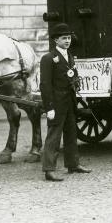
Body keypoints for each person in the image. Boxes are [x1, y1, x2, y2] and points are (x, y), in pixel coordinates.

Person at [40, 23, 91, 181]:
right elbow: (45, 85)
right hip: (56, 103)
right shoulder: (48, 58)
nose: (67, 41)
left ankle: (73, 164)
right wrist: (49, 107)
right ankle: (49, 169)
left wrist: (76, 84)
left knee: (71, 133)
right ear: (56, 40)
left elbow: (72, 76)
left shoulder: (69, 56)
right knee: (54, 136)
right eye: (64, 38)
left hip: (70, 101)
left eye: (69, 38)